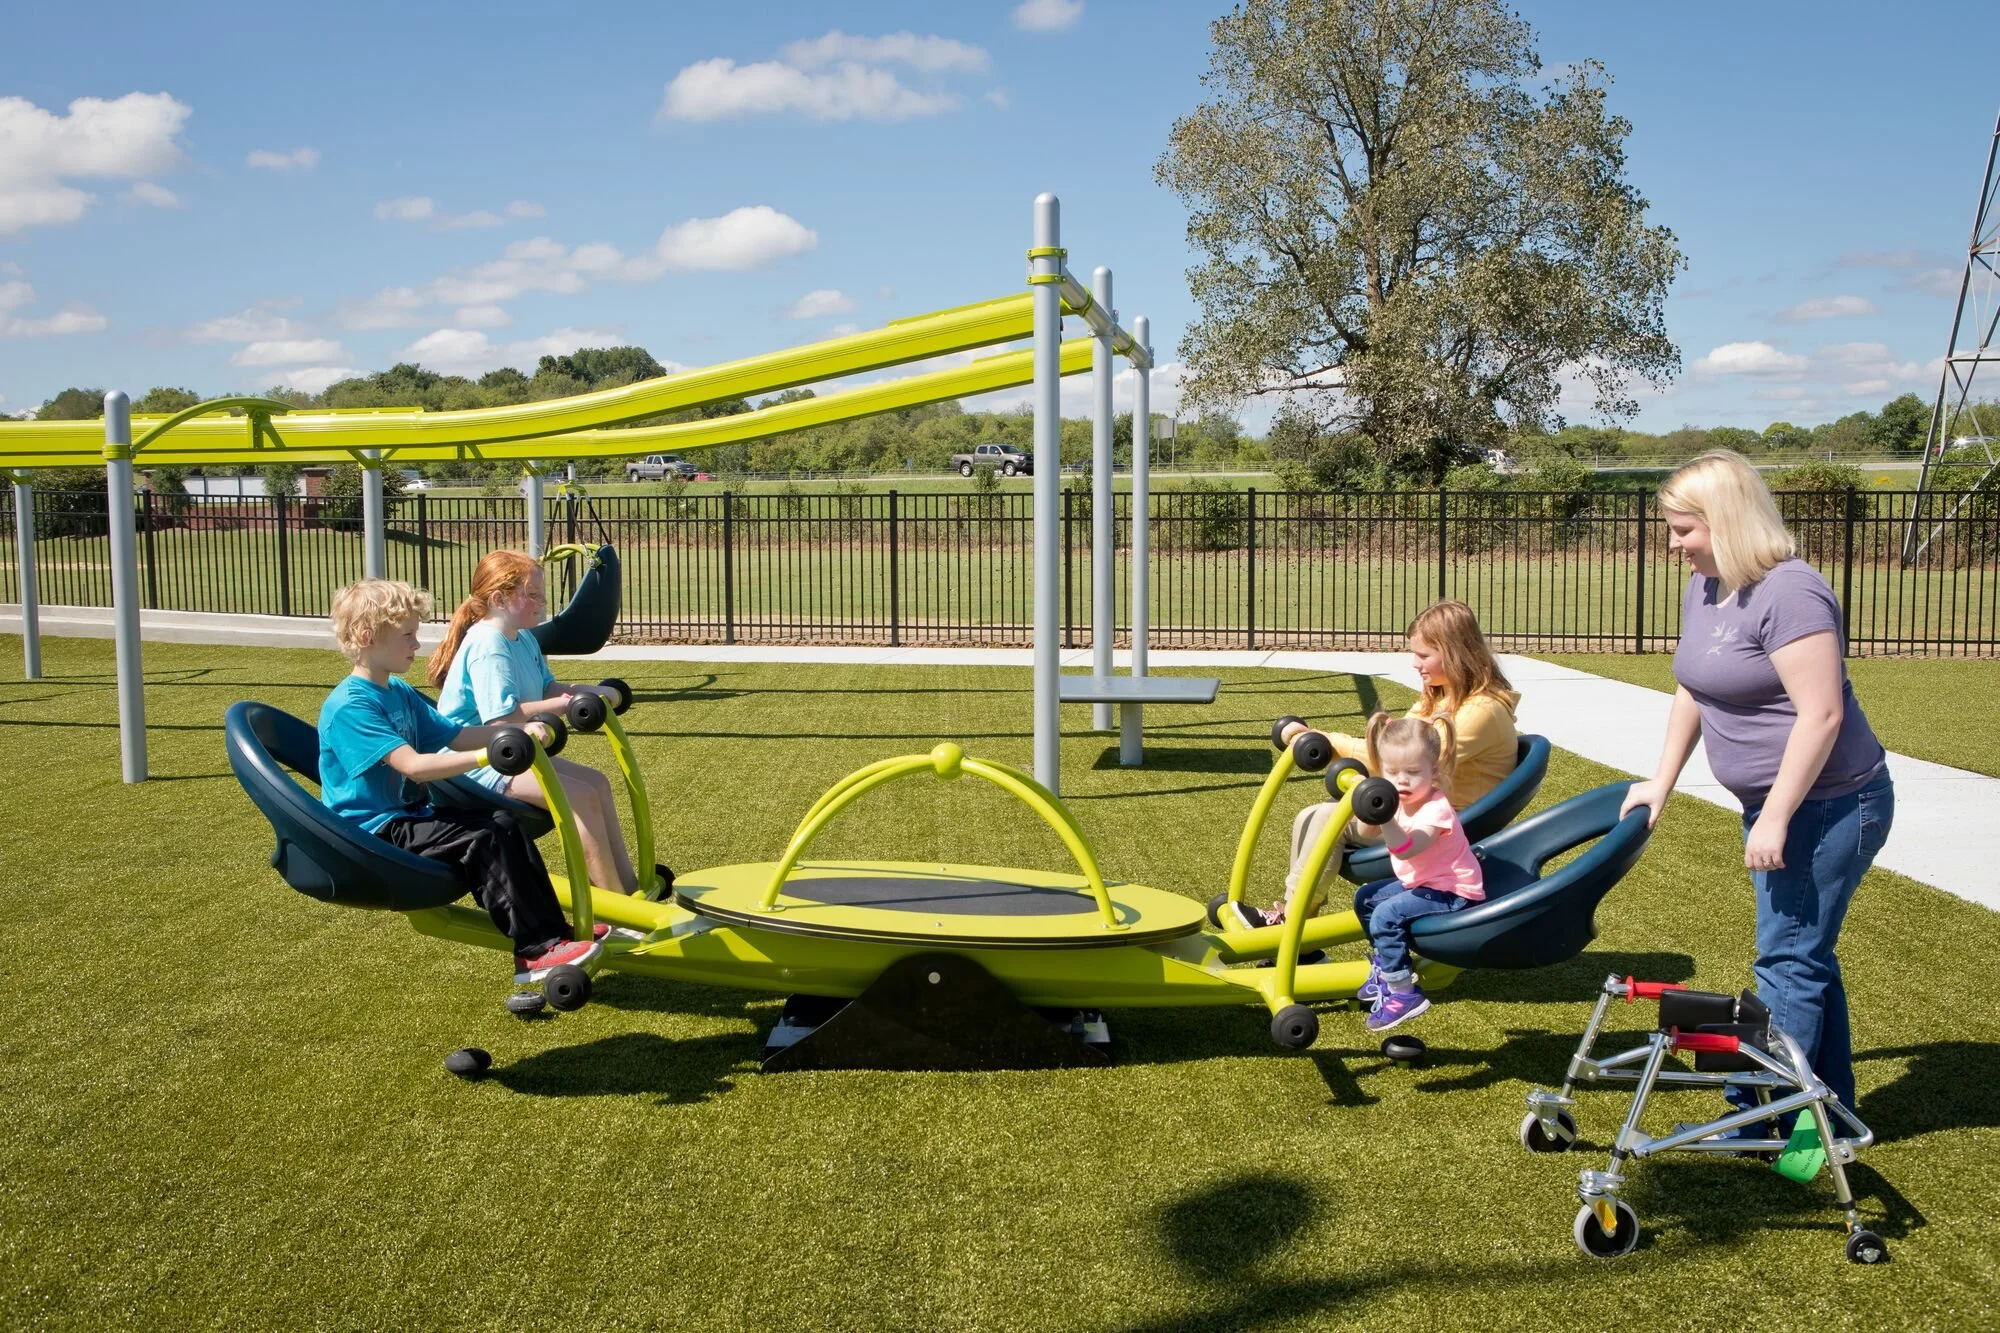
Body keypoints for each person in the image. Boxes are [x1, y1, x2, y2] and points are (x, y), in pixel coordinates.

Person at [1620, 451, 1892, 1125]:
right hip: (1776, 806)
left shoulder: (1790, 591)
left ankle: (1762, 1117)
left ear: (1727, 520)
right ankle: (1825, 1119)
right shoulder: (1708, 586)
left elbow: (1821, 712)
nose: (1674, 542)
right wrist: (1663, 779)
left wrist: (1775, 815)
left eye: (1685, 528)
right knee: (1804, 954)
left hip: (1832, 805)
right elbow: (1694, 685)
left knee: (1788, 960)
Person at [319, 579, 602, 983]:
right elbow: (414, 767)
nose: (417, 645)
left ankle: (555, 933)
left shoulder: (396, 691)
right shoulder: (352, 705)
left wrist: (518, 732)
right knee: (482, 840)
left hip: (410, 816)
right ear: (368, 637)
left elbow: (453, 735)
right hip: (374, 832)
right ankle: (535, 950)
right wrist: (493, 755)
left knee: (505, 822)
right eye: (408, 636)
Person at [1266, 600, 1520, 922]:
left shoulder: (1480, 712)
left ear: (1456, 654)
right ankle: (1299, 920)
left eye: (1424, 655)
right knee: (1310, 815)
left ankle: (1295, 919)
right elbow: (1391, 749)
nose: (1415, 664)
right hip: (1416, 806)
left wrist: (1327, 742)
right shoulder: (1442, 698)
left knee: (1325, 819)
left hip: (1440, 825)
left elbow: (1397, 762)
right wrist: (1325, 740)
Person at [428, 550, 644, 896]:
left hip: (513, 750)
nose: (542, 603)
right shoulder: (489, 644)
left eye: (541, 594)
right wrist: (563, 704)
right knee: (581, 797)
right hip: (477, 762)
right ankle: (620, 909)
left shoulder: (522, 635)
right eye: (532, 595)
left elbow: (547, 687)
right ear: (499, 598)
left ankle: (633, 889)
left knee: (598, 784)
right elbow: (501, 719)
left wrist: (590, 692)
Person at [1345, 712, 1485, 1033]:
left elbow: (1407, 848)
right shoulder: (1397, 798)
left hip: (1454, 892)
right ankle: (1386, 964)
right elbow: (1367, 833)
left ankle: (1404, 992)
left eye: (1412, 772)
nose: (1402, 781)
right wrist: (1369, 803)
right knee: (1366, 898)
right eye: (1392, 772)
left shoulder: (1436, 808)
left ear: (1433, 771)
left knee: (1384, 915)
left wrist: (1386, 817)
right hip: (1423, 884)